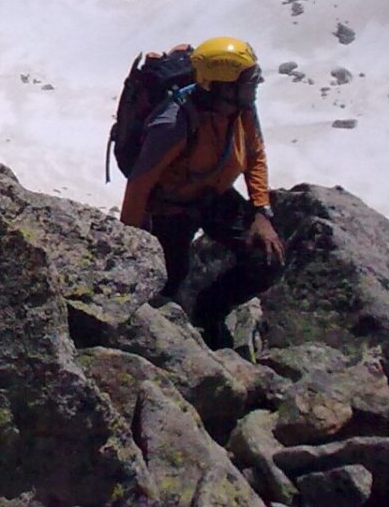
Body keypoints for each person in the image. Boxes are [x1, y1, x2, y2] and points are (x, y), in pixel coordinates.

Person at [120, 35, 286, 349]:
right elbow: (139, 185)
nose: (252, 90)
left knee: (266, 260)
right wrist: (132, 243)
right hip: (170, 209)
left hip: (212, 197)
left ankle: (208, 314)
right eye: (246, 84)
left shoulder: (240, 110)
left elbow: (255, 155)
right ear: (221, 86)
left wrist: (261, 211)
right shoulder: (173, 123)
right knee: (166, 285)